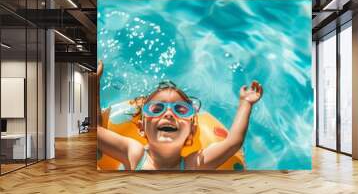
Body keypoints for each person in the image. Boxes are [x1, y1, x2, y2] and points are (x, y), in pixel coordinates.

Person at [97, 61, 263, 170]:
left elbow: (232, 143)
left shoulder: (194, 164)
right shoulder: (134, 153)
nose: (169, 113)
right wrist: (93, 84)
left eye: (180, 110)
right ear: (141, 128)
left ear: (191, 130)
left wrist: (246, 103)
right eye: (157, 109)